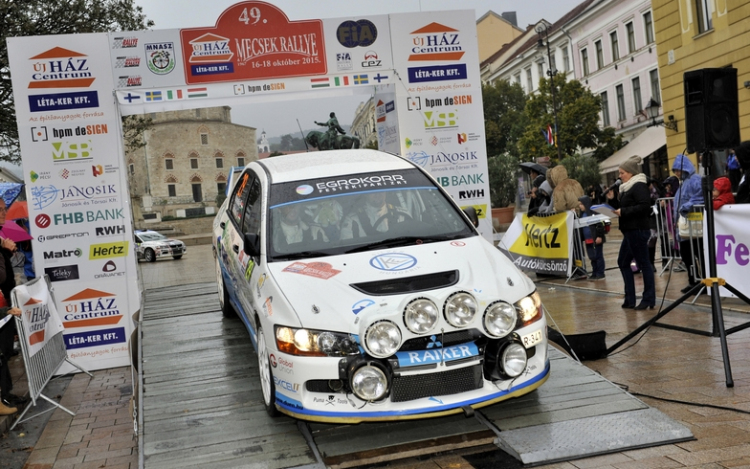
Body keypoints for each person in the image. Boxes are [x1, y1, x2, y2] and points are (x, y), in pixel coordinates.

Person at [606, 156, 656, 310]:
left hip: (638, 230)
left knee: (644, 263)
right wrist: (612, 200)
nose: (619, 176)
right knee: (623, 262)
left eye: (622, 173)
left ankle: (648, 298)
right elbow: (623, 208)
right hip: (629, 230)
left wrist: (624, 211)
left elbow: (644, 206)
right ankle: (630, 298)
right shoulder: (626, 188)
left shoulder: (639, 185)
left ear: (631, 172)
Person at [0, 199, 24, 415]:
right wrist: (5, 250)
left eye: (4, 208)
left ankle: (6, 393)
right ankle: (3, 396)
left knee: (5, 350)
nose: (3, 212)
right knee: (3, 350)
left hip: (4, 299)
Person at [672, 153, 705, 294]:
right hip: (686, 226)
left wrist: (687, 206)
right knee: (687, 255)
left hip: (695, 225)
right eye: (675, 171)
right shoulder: (683, 183)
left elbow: (700, 196)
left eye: (678, 170)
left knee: (699, 254)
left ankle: (703, 281)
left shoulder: (695, 180)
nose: (677, 173)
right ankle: (693, 281)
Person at [340, 192, 409, 239]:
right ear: (366, 194)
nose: (378, 194)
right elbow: (346, 248)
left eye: (381, 191)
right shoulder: (352, 220)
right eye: (373, 192)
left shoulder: (402, 214)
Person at [577, 195, 606, 280]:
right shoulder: (582, 215)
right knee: (592, 257)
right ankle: (595, 272)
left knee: (598, 256)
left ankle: (600, 273)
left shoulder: (594, 213)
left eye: (581, 204)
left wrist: (599, 236)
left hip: (595, 239)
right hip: (588, 240)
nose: (580, 206)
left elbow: (600, 225)